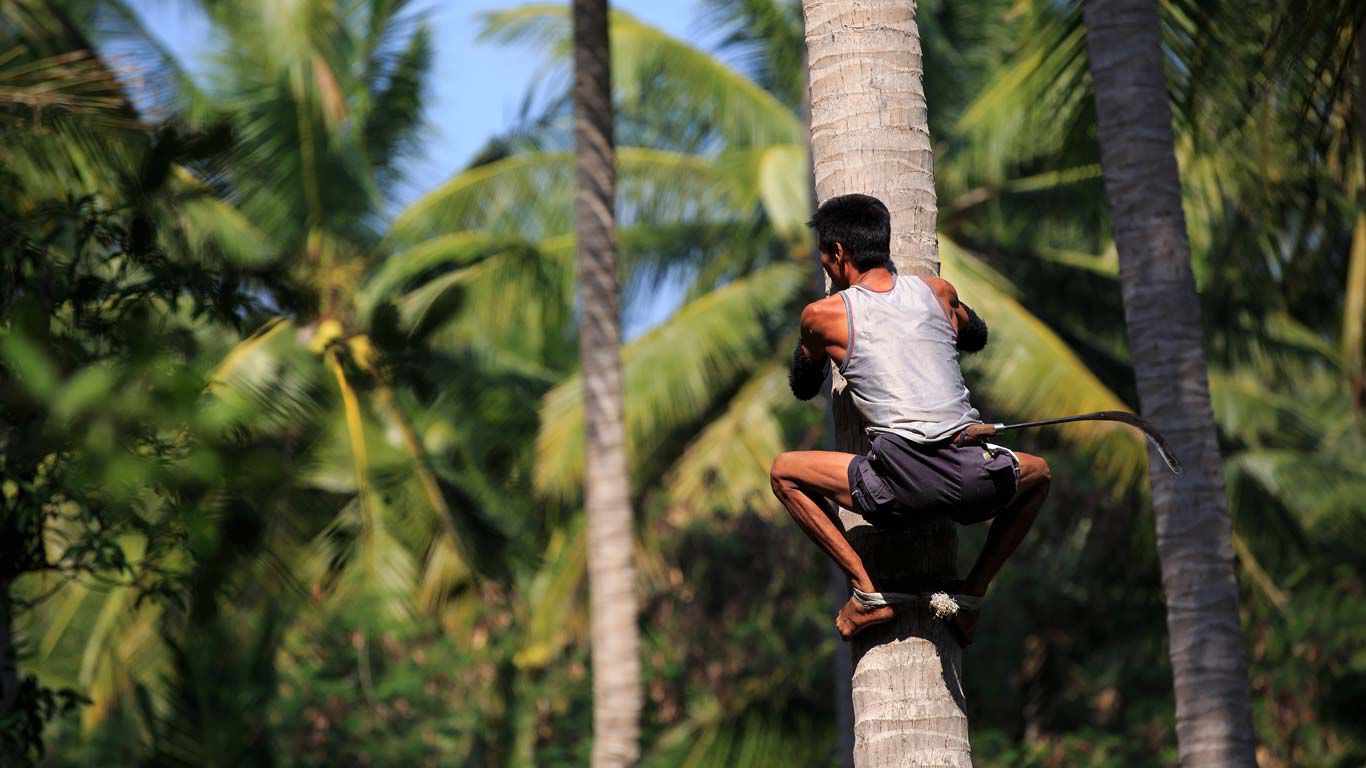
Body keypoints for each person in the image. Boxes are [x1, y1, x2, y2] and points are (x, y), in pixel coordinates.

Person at [769, 194, 1051, 645]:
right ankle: (972, 596)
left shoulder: (822, 316)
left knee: (784, 472)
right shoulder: (938, 292)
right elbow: (975, 335)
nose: (824, 264)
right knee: (1039, 474)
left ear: (839, 254)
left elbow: (805, 385)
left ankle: (867, 593)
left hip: (901, 488)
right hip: (972, 478)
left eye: (824, 254)